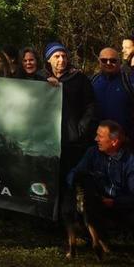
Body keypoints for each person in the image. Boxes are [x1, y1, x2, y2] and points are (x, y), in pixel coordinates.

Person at [64, 121, 134, 259]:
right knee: (73, 207)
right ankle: (96, 241)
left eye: (100, 136)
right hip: (96, 202)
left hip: (121, 205)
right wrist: (76, 185)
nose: (96, 139)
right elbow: (75, 172)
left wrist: (114, 202)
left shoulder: (130, 161)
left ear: (114, 142)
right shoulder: (93, 152)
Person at [44, 42, 98, 189]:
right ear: (48, 59)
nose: (61, 59)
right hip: (48, 140)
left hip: (72, 141)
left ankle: (71, 211)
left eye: (64, 56)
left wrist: (80, 130)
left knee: (71, 181)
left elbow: (90, 106)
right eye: (56, 56)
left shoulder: (79, 79)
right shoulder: (42, 80)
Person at [90, 47, 134, 138]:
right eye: (104, 60)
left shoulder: (129, 81)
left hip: (124, 139)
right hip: (98, 138)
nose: (108, 63)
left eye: (113, 60)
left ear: (119, 62)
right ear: (99, 61)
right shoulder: (92, 81)